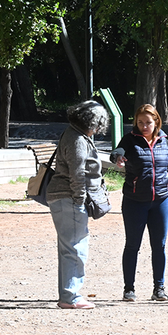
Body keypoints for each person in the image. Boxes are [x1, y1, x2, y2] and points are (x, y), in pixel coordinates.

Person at [113, 103, 168, 302]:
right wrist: (118, 157)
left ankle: (159, 288)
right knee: (132, 245)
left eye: (148, 122)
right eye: (140, 122)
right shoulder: (130, 140)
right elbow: (117, 151)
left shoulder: (164, 142)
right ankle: (129, 289)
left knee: (159, 246)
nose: (144, 126)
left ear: (156, 122)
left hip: (160, 200)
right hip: (135, 201)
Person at [45, 99, 109, 309]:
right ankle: (71, 296)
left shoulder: (74, 134)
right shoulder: (78, 139)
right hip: (69, 198)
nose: (99, 129)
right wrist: (80, 199)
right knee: (75, 247)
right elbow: (78, 172)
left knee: (68, 247)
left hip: (63, 197)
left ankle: (68, 293)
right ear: (94, 122)